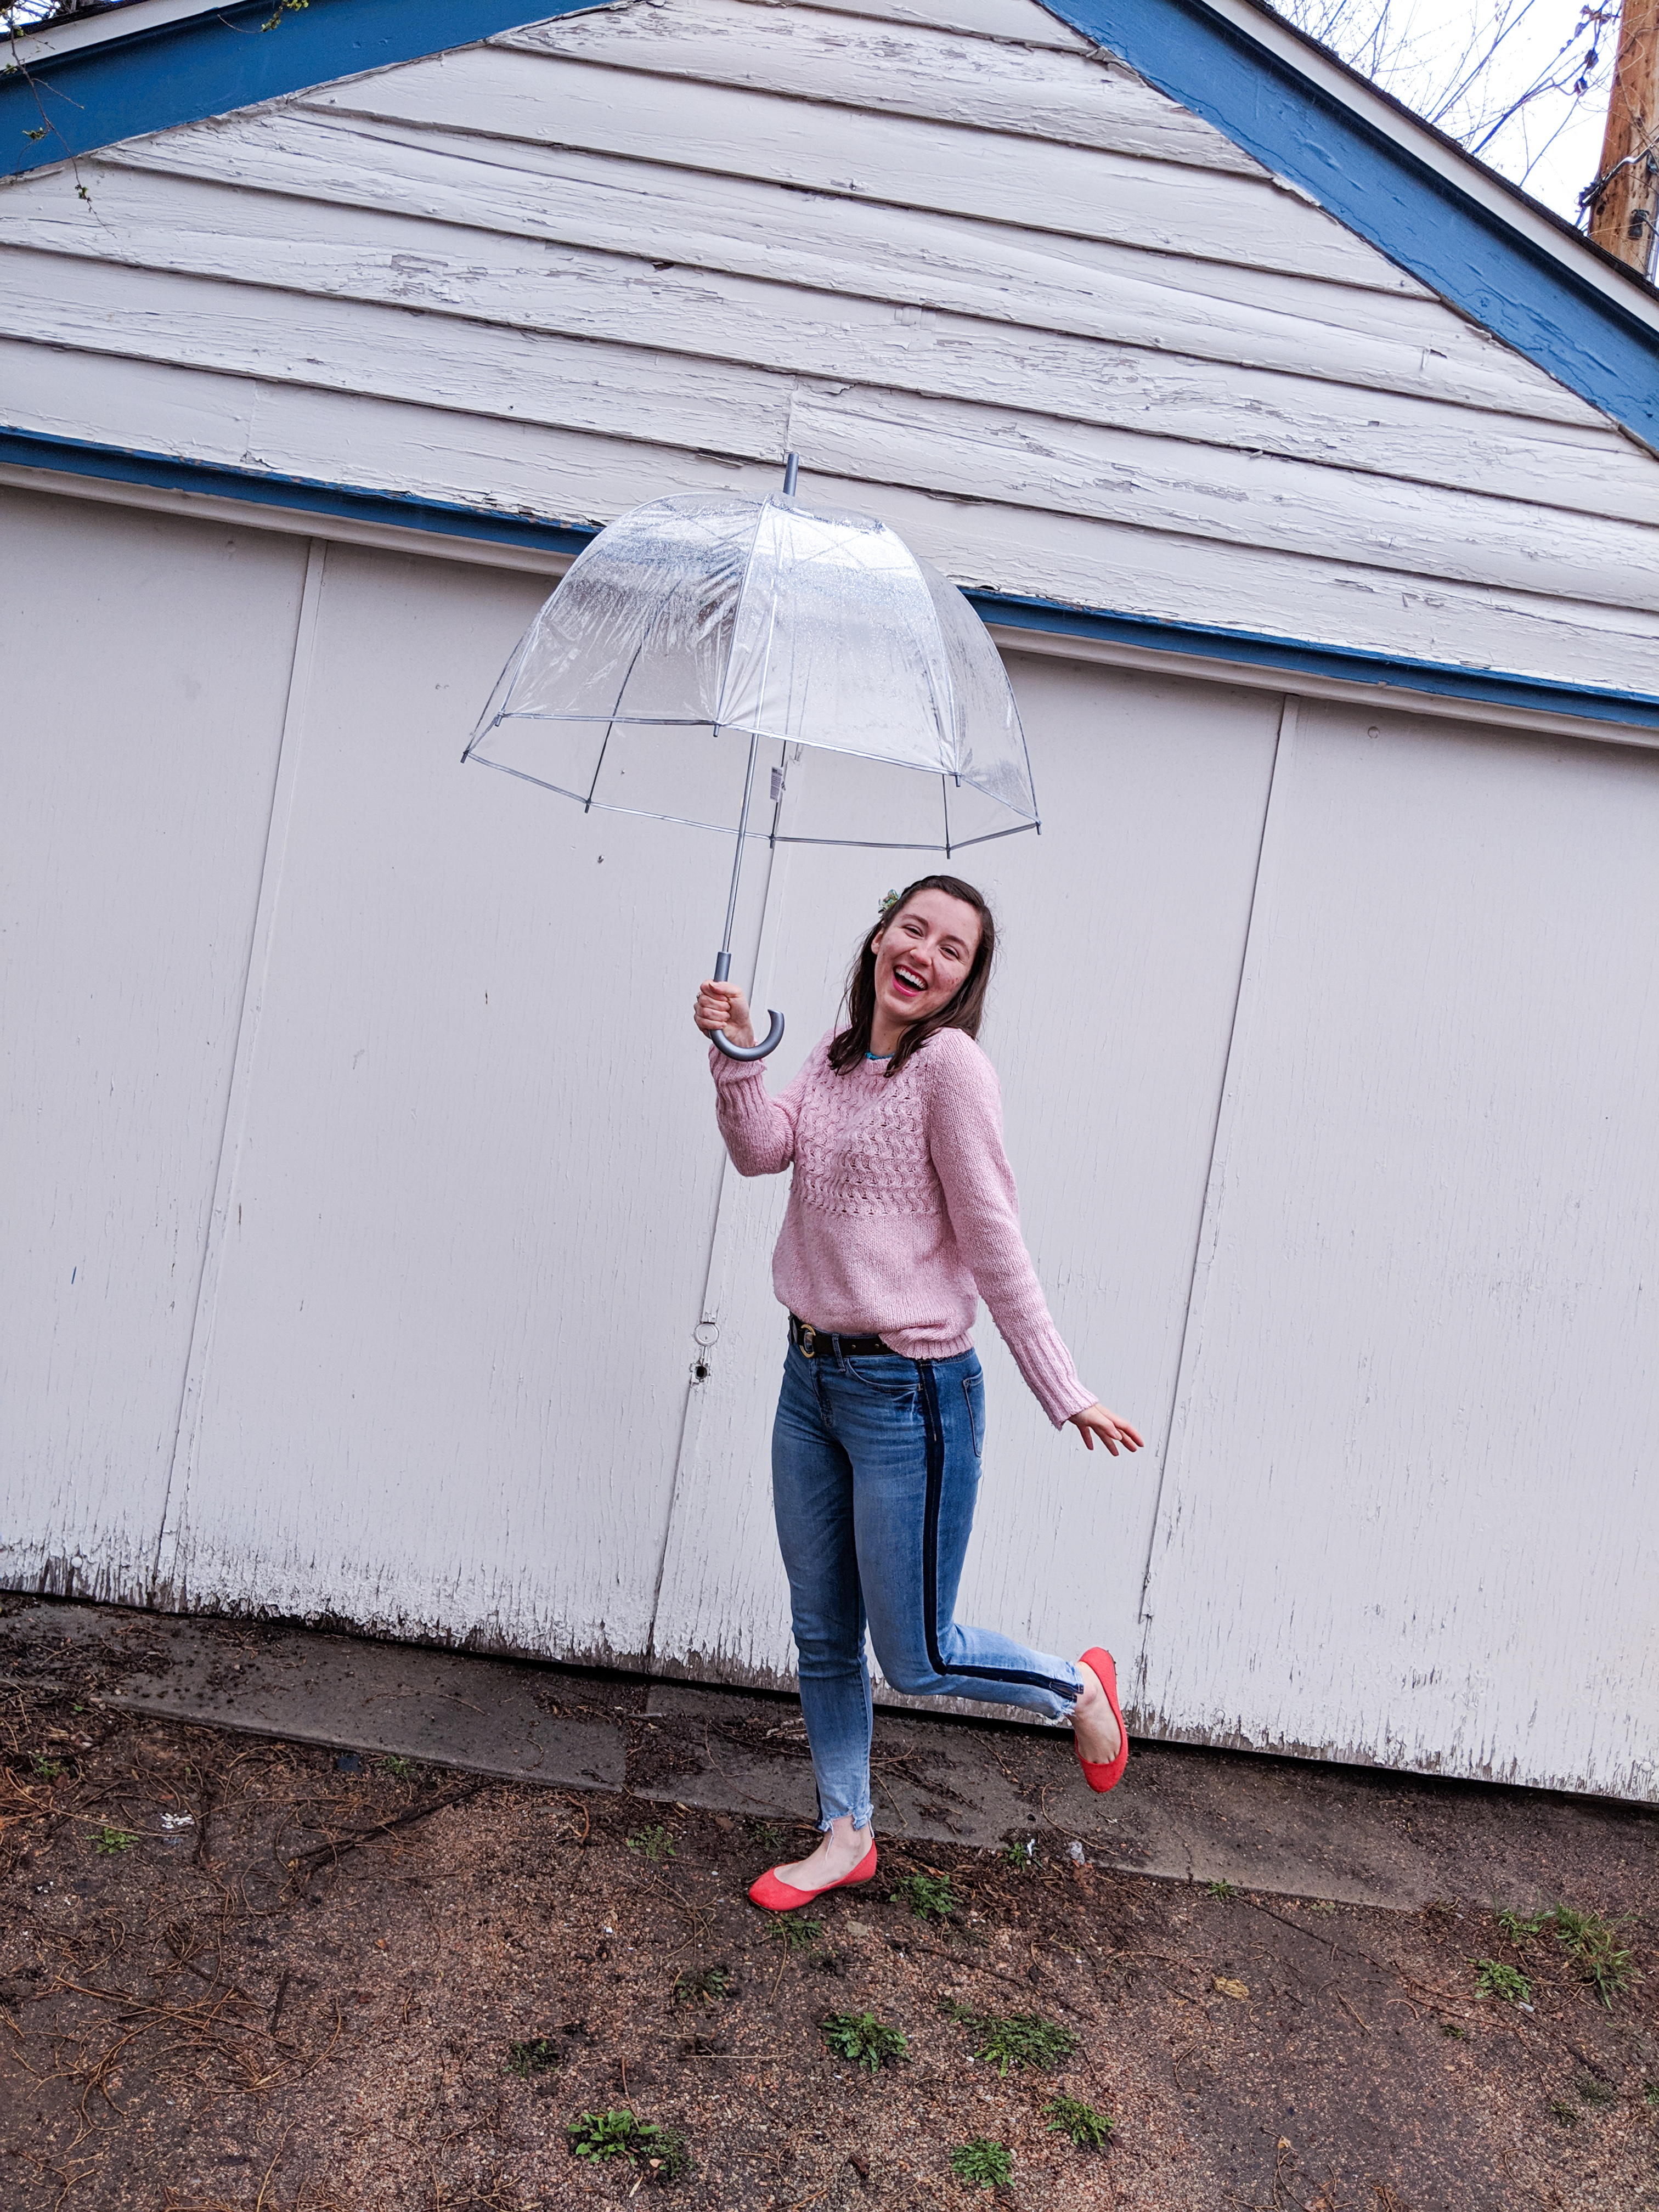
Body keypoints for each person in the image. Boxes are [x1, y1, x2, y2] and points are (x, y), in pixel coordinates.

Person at [693, 874, 1143, 1912]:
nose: (924, 955)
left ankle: (1077, 1686)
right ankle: (845, 1832)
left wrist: (1062, 1386)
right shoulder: (835, 1053)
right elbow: (761, 1152)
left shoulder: (951, 1070)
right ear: (879, 938)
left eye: (952, 949)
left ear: (964, 981)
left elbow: (992, 1237)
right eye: (913, 930)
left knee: (920, 1654)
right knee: (822, 1632)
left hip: (911, 1396)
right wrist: (737, 1048)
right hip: (810, 1379)